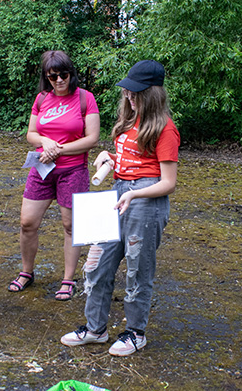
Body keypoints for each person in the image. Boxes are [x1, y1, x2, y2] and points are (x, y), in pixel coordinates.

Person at [60, 60, 180, 356]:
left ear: (151, 94)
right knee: (97, 264)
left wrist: (135, 194)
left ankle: (135, 333)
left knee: (138, 269)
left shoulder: (165, 129)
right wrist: (109, 156)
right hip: (117, 194)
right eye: (127, 92)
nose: (128, 97)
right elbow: (128, 158)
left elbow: (168, 182)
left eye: (135, 93)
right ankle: (95, 329)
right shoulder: (128, 122)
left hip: (145, 202)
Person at [7, 50, 100, 300]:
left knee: (71, 226)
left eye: (64, 75)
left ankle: (68, 278)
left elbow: (92, 138)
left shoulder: (85, 98)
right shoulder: (41, 99)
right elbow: (31, 134)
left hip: (73, 170)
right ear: (46, 77)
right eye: (53, 76)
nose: (59, 80)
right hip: (42, 167)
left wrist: (57, 150)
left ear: (72, 73)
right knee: (27, 222)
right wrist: (46, 141)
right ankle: (27, 271)